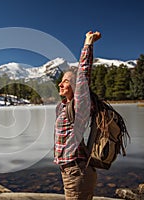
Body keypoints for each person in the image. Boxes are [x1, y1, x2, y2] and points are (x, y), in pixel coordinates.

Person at [54, 31, 101, 200]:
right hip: (71, 171)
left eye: (66, 81)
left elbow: (83, 75)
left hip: (77, 172)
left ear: (76, 85)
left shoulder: (79, 105)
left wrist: (88, 43)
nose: (60, 83)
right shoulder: (64, 106)